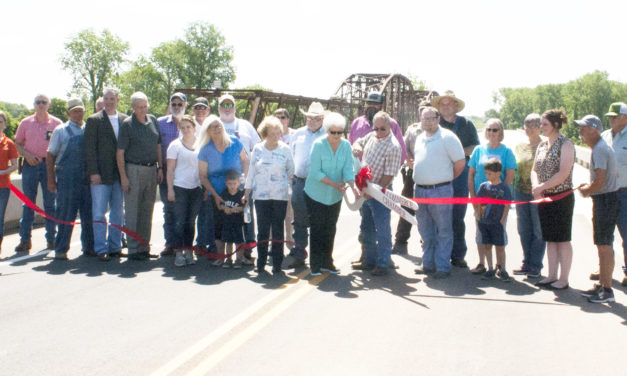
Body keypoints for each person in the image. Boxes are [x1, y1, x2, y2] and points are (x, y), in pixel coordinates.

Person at [412, 107, 465, 279]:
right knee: (425, 230)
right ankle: (428, 263)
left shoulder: (448, 137)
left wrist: (445, 179)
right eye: (424, 118)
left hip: (440, 190)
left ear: (438, 119)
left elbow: (460, 163)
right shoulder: (419, 138)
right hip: (420, 190)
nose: (427, 121)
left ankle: (442, 266)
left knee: (443, 230)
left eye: (431, 118)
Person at [304, 112, 358, 276]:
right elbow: (315, 172)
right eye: (332, 132)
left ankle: (327, 262)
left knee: (330, 228)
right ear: (327, 131)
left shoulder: (346, 145)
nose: (336, 136)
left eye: (339, 132)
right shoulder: (318, 144)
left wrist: (354, 187)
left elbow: (349, 169)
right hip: (316, 193)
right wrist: (335, 184)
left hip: (335, 196)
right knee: (317, 228)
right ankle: (315, 264)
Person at [431, 90, 479, 267]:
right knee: (438, 216)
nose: (445, 107)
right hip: (439, 174)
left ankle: (458, 255)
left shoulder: (466, 124)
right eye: (442, 104)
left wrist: (457, 153)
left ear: (456, 106)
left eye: (449, 103)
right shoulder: (434, 123)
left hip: (460, 175)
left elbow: (475, 147)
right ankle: (439, 254)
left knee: (457, 216)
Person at [351, 111, 402, 276]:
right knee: (366, 227)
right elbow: (358, 142)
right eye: (376, 128)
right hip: (365, 187)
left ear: (389, 127)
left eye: (383, 129)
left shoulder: (393, 146)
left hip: (380, 191)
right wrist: (357, 146)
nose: (379, 132)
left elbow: (389, 175)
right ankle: (369, 260)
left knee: (382, 229)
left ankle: (383, 263)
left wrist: (374, 192)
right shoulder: (372, 136)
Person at [576, 115, 619, 303]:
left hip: (606, 200)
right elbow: (600, 179)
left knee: (604, 245)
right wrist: (590, 186)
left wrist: (586, 190)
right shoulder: (599, 148)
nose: (580, 132)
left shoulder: (600, 149)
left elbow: (600, 182)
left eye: (584, 128)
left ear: (594, 130)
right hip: (605, 199)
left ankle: (607, 290)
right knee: (602, 244)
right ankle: (603, 285)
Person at [116, 92, 163, 260]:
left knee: (147, 209)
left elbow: (158, 145)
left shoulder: (153, 120)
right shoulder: (128, 125)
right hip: (133, 169)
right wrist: (123, 177)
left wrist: (160, 167)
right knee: (132, 210)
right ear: (133, 107)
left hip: (151, 169)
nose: (143, 109)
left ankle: (144, 247)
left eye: (145, 106)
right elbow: (120, 152)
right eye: (139, 107)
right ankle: (133, 249)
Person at [197, 115, 249, 266]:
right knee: (219, 226)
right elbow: (202, 175)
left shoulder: (234, 142)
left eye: (219, 125)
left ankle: (241, 257)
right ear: (208, 131)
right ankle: (222, 257)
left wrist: (245, 181)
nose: (218, 129)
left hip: (237, 191)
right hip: (217, 193)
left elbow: (245, 160)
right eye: (213, 127)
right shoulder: (205, 149)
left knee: (240, 226)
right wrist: (214, 195)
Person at [532, 109, 575, 290]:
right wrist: (536, 187)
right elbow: (534, 169)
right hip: (544, 198)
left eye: (545, 124)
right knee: (550, 238)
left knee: (562, 238)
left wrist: (542, 187)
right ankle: (551, 275)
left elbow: (563, 173)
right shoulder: (542, 145)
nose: (541, 127)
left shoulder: (566, 144)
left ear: (556, 125)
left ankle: (563, 278)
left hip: (561, 197)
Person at [46, 98, 94, 260]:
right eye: (74, 111)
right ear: (68, 113)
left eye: (80, 110)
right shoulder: (60, 131)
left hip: (86, 178)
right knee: (66, 214)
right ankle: (61, 249)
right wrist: (51, 180)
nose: (78, 113)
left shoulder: (89, 128)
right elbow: (50, 155)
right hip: (67, 178)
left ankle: (89, 247)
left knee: (88, 215)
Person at [244, 116, 294, 274]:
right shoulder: (257, 149)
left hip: (280, 196)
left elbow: (291, 172)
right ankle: (260, 262)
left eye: (277, 133)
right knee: (263, 229)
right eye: (271, 133)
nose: (275, 136)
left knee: (278, 229)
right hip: (261, 196)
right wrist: (246, 192)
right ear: (264, 134)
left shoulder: (285, 149)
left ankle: (278, 263)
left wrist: (290, 191)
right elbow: (251, 173)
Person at [467, 118, 516, 275]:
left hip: (498, 203)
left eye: (495, 130)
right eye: (489, 129)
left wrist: (502, 199)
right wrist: (473, 196)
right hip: (481, 200)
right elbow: (471, 174)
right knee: (481, 231)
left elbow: (509, 176)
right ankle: (483, 264)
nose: (491, 133)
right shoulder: (478, 150)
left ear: (501, 132)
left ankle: (501, 266)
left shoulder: (507, 152)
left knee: (498, 232)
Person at [84, 87, 128, 261]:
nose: (109, 102)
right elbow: (89, 149)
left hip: (120, 175)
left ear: (117, 100)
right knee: (99, 213)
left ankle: (116, 246)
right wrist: (93, 172)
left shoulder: (125, 119)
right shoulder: (94, 120)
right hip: (101, 175)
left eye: (112, 98)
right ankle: (101, 248)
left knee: (118, 212)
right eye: (106, 98)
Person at [14, 94, 61, 252]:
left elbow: (62, 146)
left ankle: (52, 239)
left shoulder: (57, 124)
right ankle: (25, 240)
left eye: (43, 102)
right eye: (38, 102)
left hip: (49, 166)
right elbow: (18, 143)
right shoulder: (25, 123)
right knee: (28, 203)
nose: (40, 105)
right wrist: (26, 155)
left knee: (50, 203)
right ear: (34, 105)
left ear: (49, 104)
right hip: (30, 165)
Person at [217, 94, 260, 251]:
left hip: (243, 180)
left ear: (235, 107)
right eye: (224, 105)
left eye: (230, 105)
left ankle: (247, 249)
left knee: (245, 213)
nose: (227, 108)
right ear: (218, 107)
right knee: (222, 214)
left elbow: (257, 148)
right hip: (220, 180)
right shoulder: (214, 125)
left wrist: (251, 175)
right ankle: (219, 250)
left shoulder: (245, 125)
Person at [288, 102, 326, 269]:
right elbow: (290, 154)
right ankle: (299, 253)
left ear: (322, 119)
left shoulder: (328, 135)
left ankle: (320, 256)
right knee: (299, 220)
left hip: (320, 184)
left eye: (315, 118)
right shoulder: (298, 134)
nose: (311, 121)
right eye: (309, 117)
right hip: (300, 181)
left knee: (319, 221)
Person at [392, 100, 430, 254]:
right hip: (411, 173)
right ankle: (401, 241)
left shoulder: (437, 130)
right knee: (407, 205)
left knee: (427, 207)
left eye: (427, 110)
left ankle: (426, 239)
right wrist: (409, 160)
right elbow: (403, 146)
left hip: (430, 174)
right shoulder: (413, 129)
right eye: (421, 110)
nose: (423, 113)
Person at [166, 115, 203, 267]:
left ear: (194, 128)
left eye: (189, 127)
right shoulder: (175, 146)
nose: (186, 130)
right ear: (179, 129)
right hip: (180, 187)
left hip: (196, 188)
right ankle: (179, 253)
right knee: (179, 221)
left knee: (190, 221)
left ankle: (189, 251)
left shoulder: (202, 144)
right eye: (183, 127)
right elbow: (170, 169)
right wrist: (170, 190)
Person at [512, 114, 546, 278]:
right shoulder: (519, 146)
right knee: (523, 229)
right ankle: (526, 262)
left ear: (540, 126)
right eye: (526, 124)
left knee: (538, 230)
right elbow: (514, 169)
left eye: (533, 125)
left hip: (538, 193)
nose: (529, 128)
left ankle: (536, 264)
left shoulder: (545, 145)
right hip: (520, 191)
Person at [601, 102, 627, 287]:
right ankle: (604, 269)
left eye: (615, 117)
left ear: (625, 117)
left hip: (624, 193)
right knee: (603, 234)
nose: (611, 120)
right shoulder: (604, 136)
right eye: (609, 117)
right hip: (605, 194)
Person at [474, 158, 513, 281]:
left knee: (500, 246)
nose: (487, 175)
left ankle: (502, 268)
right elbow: (480, 203)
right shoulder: (483, 186)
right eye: (486, 173)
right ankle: (490, 268)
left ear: (497, 173)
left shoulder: (504, 188)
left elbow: (507, 205)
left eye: (489, 173)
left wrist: (502, 220)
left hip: (497, 223)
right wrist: (479, 216)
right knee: (487, 245)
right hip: (484, 222)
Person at [158, 93, 187, 256]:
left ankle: (184, 244)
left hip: (185, 172)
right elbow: (157, 146)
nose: (176, 107)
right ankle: (170, 243)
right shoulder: (160, 123)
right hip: (166, 170)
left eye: (180, 104)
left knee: (184, 210)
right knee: (168, 209)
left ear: (185, 106)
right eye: (174, 104)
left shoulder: (190, 123)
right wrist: (159, 169)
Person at [192, 97, 213, 253]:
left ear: (208, 110)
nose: (200, 110)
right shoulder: (188, 125)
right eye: (197, 107)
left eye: (203, 108)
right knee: (192, 213)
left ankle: (203, 242)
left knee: (207, 212)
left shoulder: (212, 126)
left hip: (207, 175)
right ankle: (185, 244)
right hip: (190, 176)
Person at [273, 108, 296, 246]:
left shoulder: (294, 134)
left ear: (287, 119)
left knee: (289, 214)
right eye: (277, 118)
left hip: (289, 180)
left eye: (282, 117)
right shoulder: (270, 135)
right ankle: (274, 244)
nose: (280, 120)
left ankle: (290, 242)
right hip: (273, 180)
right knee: (274, 214)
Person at [219, 170, 248, 268]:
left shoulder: (240, 194)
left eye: (234, 183)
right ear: (226, 183)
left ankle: (239, 259)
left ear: (239, 183)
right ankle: (228, 259)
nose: (232, 186)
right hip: (227, 222)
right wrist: (225, 208)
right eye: (229, 184)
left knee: (239, 241)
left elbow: (244, 207)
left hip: (238, 223)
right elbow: (220, 205)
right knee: (228, 241)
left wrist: (237, 208)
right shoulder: (224, 193)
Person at [0, 111, 18, 255]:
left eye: (0, 121)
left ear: (4, 124)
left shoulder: (9, 143)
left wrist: (2, 172)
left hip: (3, 187)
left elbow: (15, 165)